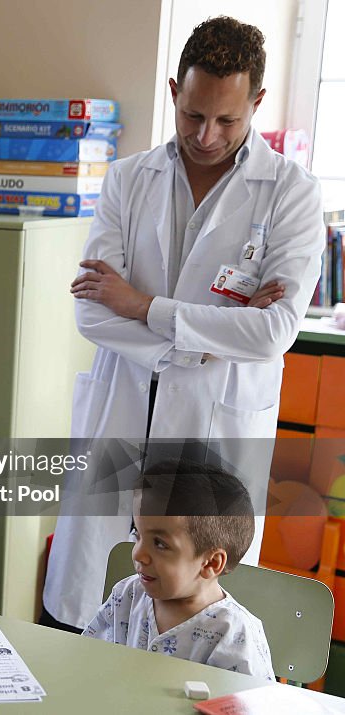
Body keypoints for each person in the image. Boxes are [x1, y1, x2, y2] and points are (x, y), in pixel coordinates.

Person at [48, 16, 325, 631]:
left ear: (256, 103)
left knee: (193, 630)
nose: (206, 135)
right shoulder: (126, 179)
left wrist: (145, 307)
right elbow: (93, 308)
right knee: (89, 619)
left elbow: (274, 333)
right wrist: (206, 340)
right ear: (174, 90)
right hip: (122, 417)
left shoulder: (291, 194)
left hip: (212, 435)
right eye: (193, 114)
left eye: (227, 120)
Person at [83, 460, 274, 679]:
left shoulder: (233, 633)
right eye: (138, 534)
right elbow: (87, 660)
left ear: (211, 564)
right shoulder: (126, 596)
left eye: (160, 544)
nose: (138, 553)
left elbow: (251, 705)